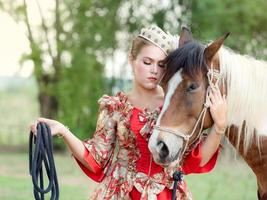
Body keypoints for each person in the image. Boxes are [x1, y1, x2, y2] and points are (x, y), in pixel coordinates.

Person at [30, 25, 227, 200]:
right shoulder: (115, 106)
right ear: (132, 60)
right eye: (147, 62)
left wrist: (219, 127)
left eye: (161, 64)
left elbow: (193, 161)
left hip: (168, 194)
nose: (154, 71)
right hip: (122, 193)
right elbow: (97, 161)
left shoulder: (173, 106)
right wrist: (64, 131)